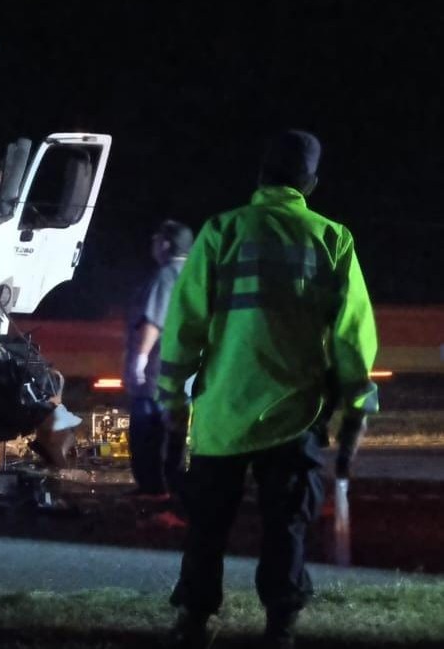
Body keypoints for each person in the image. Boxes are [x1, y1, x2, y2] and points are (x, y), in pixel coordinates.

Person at [157, 130, 378, 649]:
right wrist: (358, 409)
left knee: (207, 527)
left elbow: (183, 327)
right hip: (294, 415)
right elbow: (353, 337)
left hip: (222, 414)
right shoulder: (332, 239)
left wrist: (171, 406)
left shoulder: (221, 232)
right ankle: (280, 624)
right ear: (311, 183)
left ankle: (193, 620)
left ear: (260, 176)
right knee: (287, 527)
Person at [123, 219, 193, 509]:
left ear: (166, 243)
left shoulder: (165, 276)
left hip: (157, 369)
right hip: (185, 370)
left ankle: (152, 488)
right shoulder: (195, 275)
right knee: (175, 430)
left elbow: (154, 321)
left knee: (146, 430)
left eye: (156, 239)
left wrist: (139, 361)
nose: (153, 244)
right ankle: (172, 487)